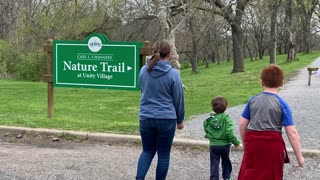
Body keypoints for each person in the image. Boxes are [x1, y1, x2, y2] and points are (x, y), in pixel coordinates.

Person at [238, 64, 305, 180]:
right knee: (271, 174)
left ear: (262, 82)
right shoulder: (283, 105)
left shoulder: (252, 101)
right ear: (282, 82)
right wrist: (299, 157)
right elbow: (292, 133)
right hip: (273, 147)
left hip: (253, 144)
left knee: (249, 173)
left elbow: (242, 124)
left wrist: (245, 145)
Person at [136, 40, 185, 180]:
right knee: (163, 154)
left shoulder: (143, 71)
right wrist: (180, 120)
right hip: (166, 119)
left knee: (147, 151)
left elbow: (143, 90)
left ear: (153, 52)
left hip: (146, 117)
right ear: (169, 54)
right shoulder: (173, 74)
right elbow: (179, 99)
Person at [203, 96, 241, 180]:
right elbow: (229, 132)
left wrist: (208, 135)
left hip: (213, 145)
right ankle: (227, 177)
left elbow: (205, 128)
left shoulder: (209, 119)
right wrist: (236, 142)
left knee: (214, 163)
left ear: (212, 107)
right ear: (226, 107)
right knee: (226, 161)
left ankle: (214, 177)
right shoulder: (226, 118)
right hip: (225, 145)